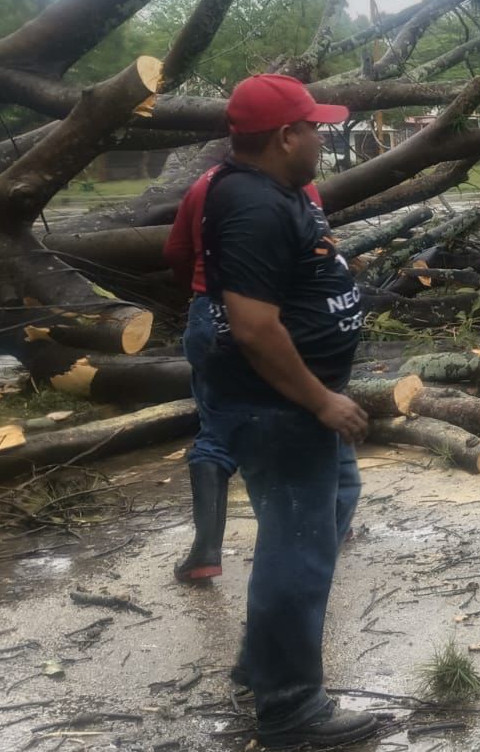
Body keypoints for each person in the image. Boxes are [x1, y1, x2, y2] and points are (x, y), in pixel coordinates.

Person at [198, 74, 378, 747]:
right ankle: (291, 708)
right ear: (284, 136)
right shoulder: (251, 204)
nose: (323, 138)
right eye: (315, 128)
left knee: (322, 518)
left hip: (291, 405)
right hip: (277, 407)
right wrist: (321, 397)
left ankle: (262, 660)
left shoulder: (275, 193)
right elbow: (251, 324)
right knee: (296, 553)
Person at [164, 166, 321, 584]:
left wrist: (201, 291)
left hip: (214, 316)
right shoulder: (299, 186)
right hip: (279, 317)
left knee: (216, 431)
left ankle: (206, 552)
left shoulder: (205, 184)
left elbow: (176, 252)